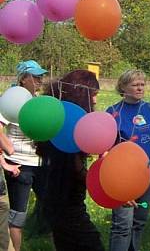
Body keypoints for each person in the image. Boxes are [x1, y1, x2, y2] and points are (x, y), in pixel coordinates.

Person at [40, 70, 104, 250]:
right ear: (80, 94)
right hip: (67, 204)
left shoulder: (59, 118)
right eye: (93, 95)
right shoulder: (70, 127)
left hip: (58, 200)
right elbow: (77, 171)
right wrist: (108, 186)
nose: (95, 100)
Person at [106, 69, 150, 251]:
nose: (140, 88)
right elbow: (106, 145)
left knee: (139, 222)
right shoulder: (113, 112)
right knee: (122, 225)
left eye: (142, 84)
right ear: (123, 87)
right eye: (135, 85)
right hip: (122, 176)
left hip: (148, 173)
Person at [0, 60, 47, 251]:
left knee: (49, 204)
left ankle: (41, 238)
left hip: (40, 163)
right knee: (18, 214)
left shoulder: (38, 101)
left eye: (41, 76)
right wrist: (8, 148)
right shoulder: (11, 99)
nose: (40, 80)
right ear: (23, 78)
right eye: (36, 76)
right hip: (19, 165)